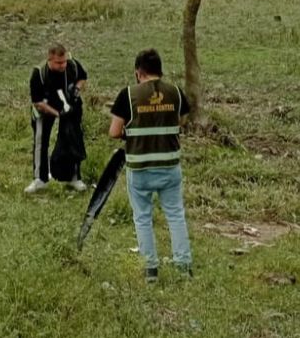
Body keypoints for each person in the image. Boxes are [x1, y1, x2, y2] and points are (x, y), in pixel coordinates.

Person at [108, 48, 192, 283]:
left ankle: (150, 270)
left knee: (142, 217)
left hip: (140, 167)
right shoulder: (175, 92)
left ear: (138, 73)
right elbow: (181, 121)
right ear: (159, 71)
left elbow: (114, 132)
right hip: (169, 166)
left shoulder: (128, 95)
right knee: (175, 215)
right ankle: (183, 266)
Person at [25, 43, 88, 193]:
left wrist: (77, 89)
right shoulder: (39, 73)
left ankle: (74, 178)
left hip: (67, 104)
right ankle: (40, 179)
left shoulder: (72, 65)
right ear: (50, 60)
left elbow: (83, 77)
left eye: (64, 61)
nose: (63, 65)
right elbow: (37, 102)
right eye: (59, 63)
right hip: (45, 107)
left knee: (73, 139)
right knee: (41, 139)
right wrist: (57, 114)